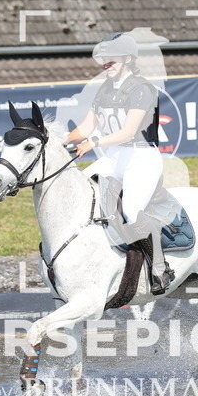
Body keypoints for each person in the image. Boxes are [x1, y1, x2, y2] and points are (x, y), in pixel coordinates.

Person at [65, 32, 175, 294]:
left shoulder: (142, 89)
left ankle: (160, 267)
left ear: (127, 59)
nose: (105, 64)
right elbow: (84, 128)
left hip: (141, 157)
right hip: (114, 158)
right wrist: (55, 142)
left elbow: (127, 133)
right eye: (103, 60)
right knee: (81, 191)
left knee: (132, 210)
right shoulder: (104, 89)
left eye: (110, 59)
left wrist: (93, 143)